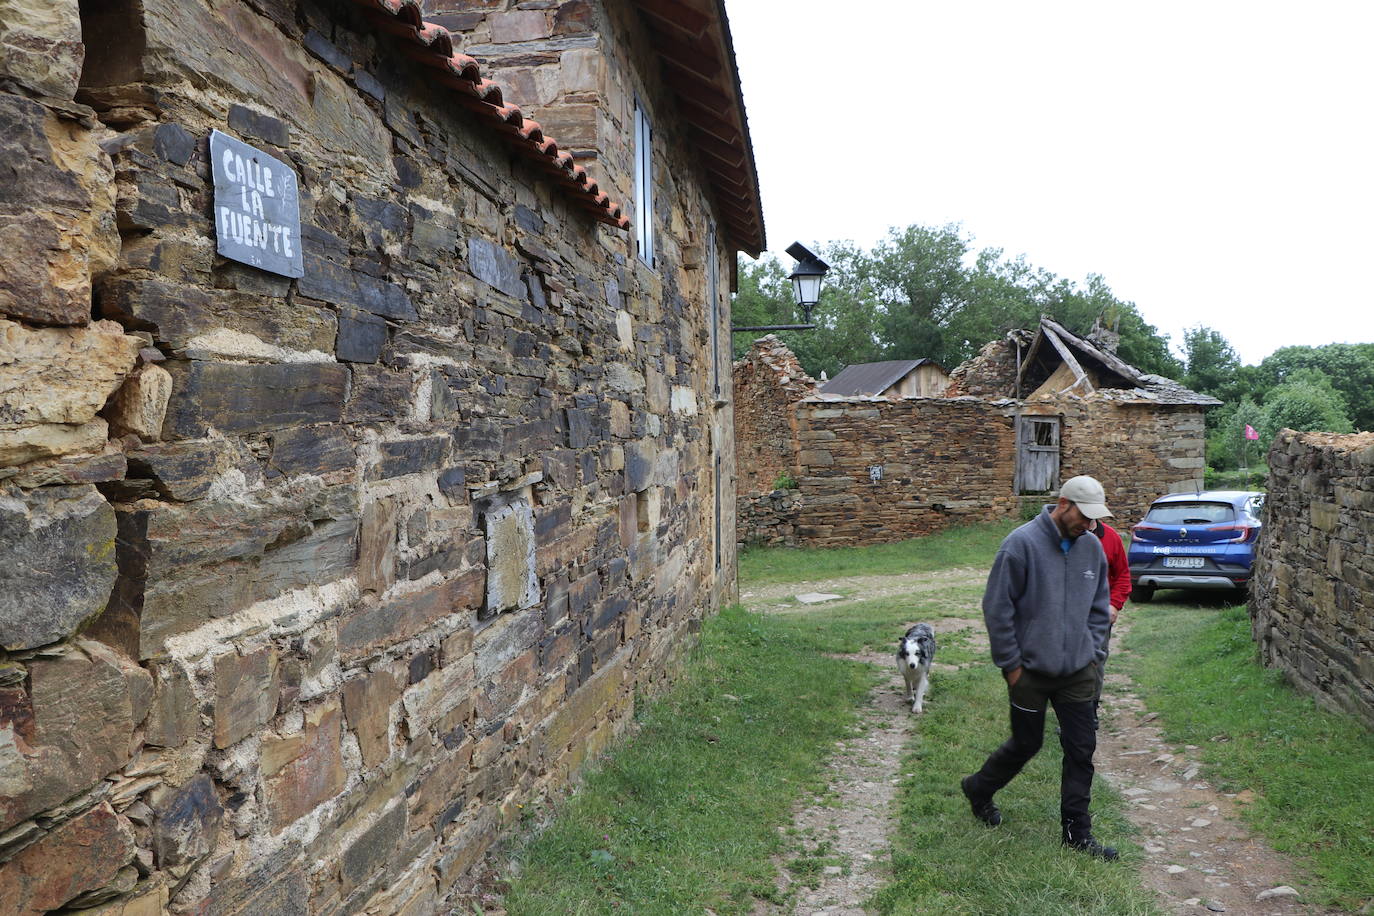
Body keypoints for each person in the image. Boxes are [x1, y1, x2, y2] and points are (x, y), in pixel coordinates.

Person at [960, 475, 1117, 860]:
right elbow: (998, 609)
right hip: (1030, 672)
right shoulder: (1020, 544)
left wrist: (1094, 653)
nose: (1091, 525)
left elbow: (1100, 607)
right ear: (1064, 504)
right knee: (1026, 743)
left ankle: (1077, 833)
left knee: (1081, 749)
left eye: (1097, 518)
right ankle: (979, 788)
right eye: (1085, 516)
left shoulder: (1092, 547)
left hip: (1080, 670)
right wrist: (1012, 666)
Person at [1091, 517, 1131, 725]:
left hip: (1099, 614)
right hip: (1067, 612)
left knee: (1095, 661)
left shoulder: (1111, 537)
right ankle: (1070, 713)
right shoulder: (1064, 536)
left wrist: (1114, 604)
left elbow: (1123, 574)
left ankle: (1090, 708)